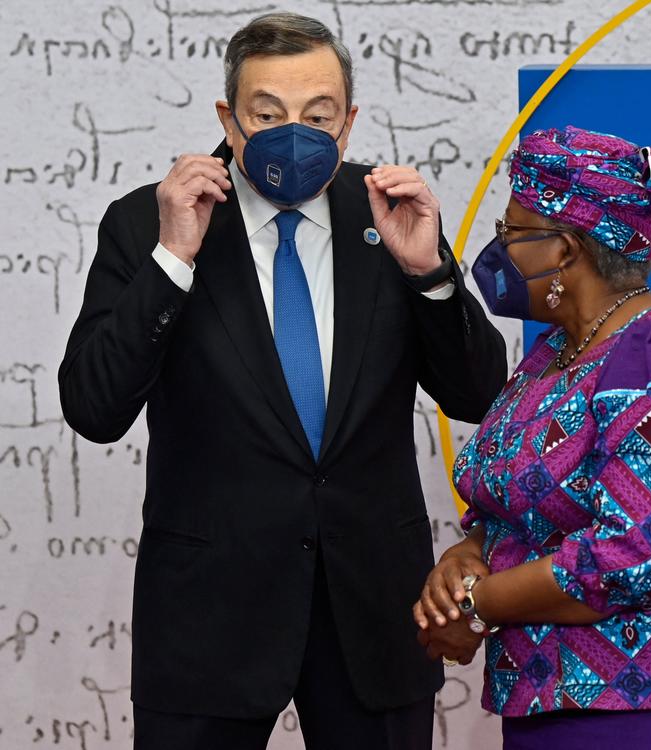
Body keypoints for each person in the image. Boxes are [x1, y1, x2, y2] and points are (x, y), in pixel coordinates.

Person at [58, 12, 507, 750]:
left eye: (317, 115)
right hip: (208, 620)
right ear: (229, 119)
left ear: (350, 121)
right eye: (268, 113)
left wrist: (429, 274)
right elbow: (94, 407)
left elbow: (480, 394)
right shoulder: (147, 221)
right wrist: (173, 259)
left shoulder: (386, 213)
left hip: (372, 611)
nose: (292, 131)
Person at [414, 125, 651, 749]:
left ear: (563, 249)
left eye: (511, 233)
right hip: (545, 691)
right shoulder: (553, 354)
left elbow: (644, 553)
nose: (498, 251)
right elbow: (520, 506)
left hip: (647, 700)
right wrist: (467, 556)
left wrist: (479, 606)